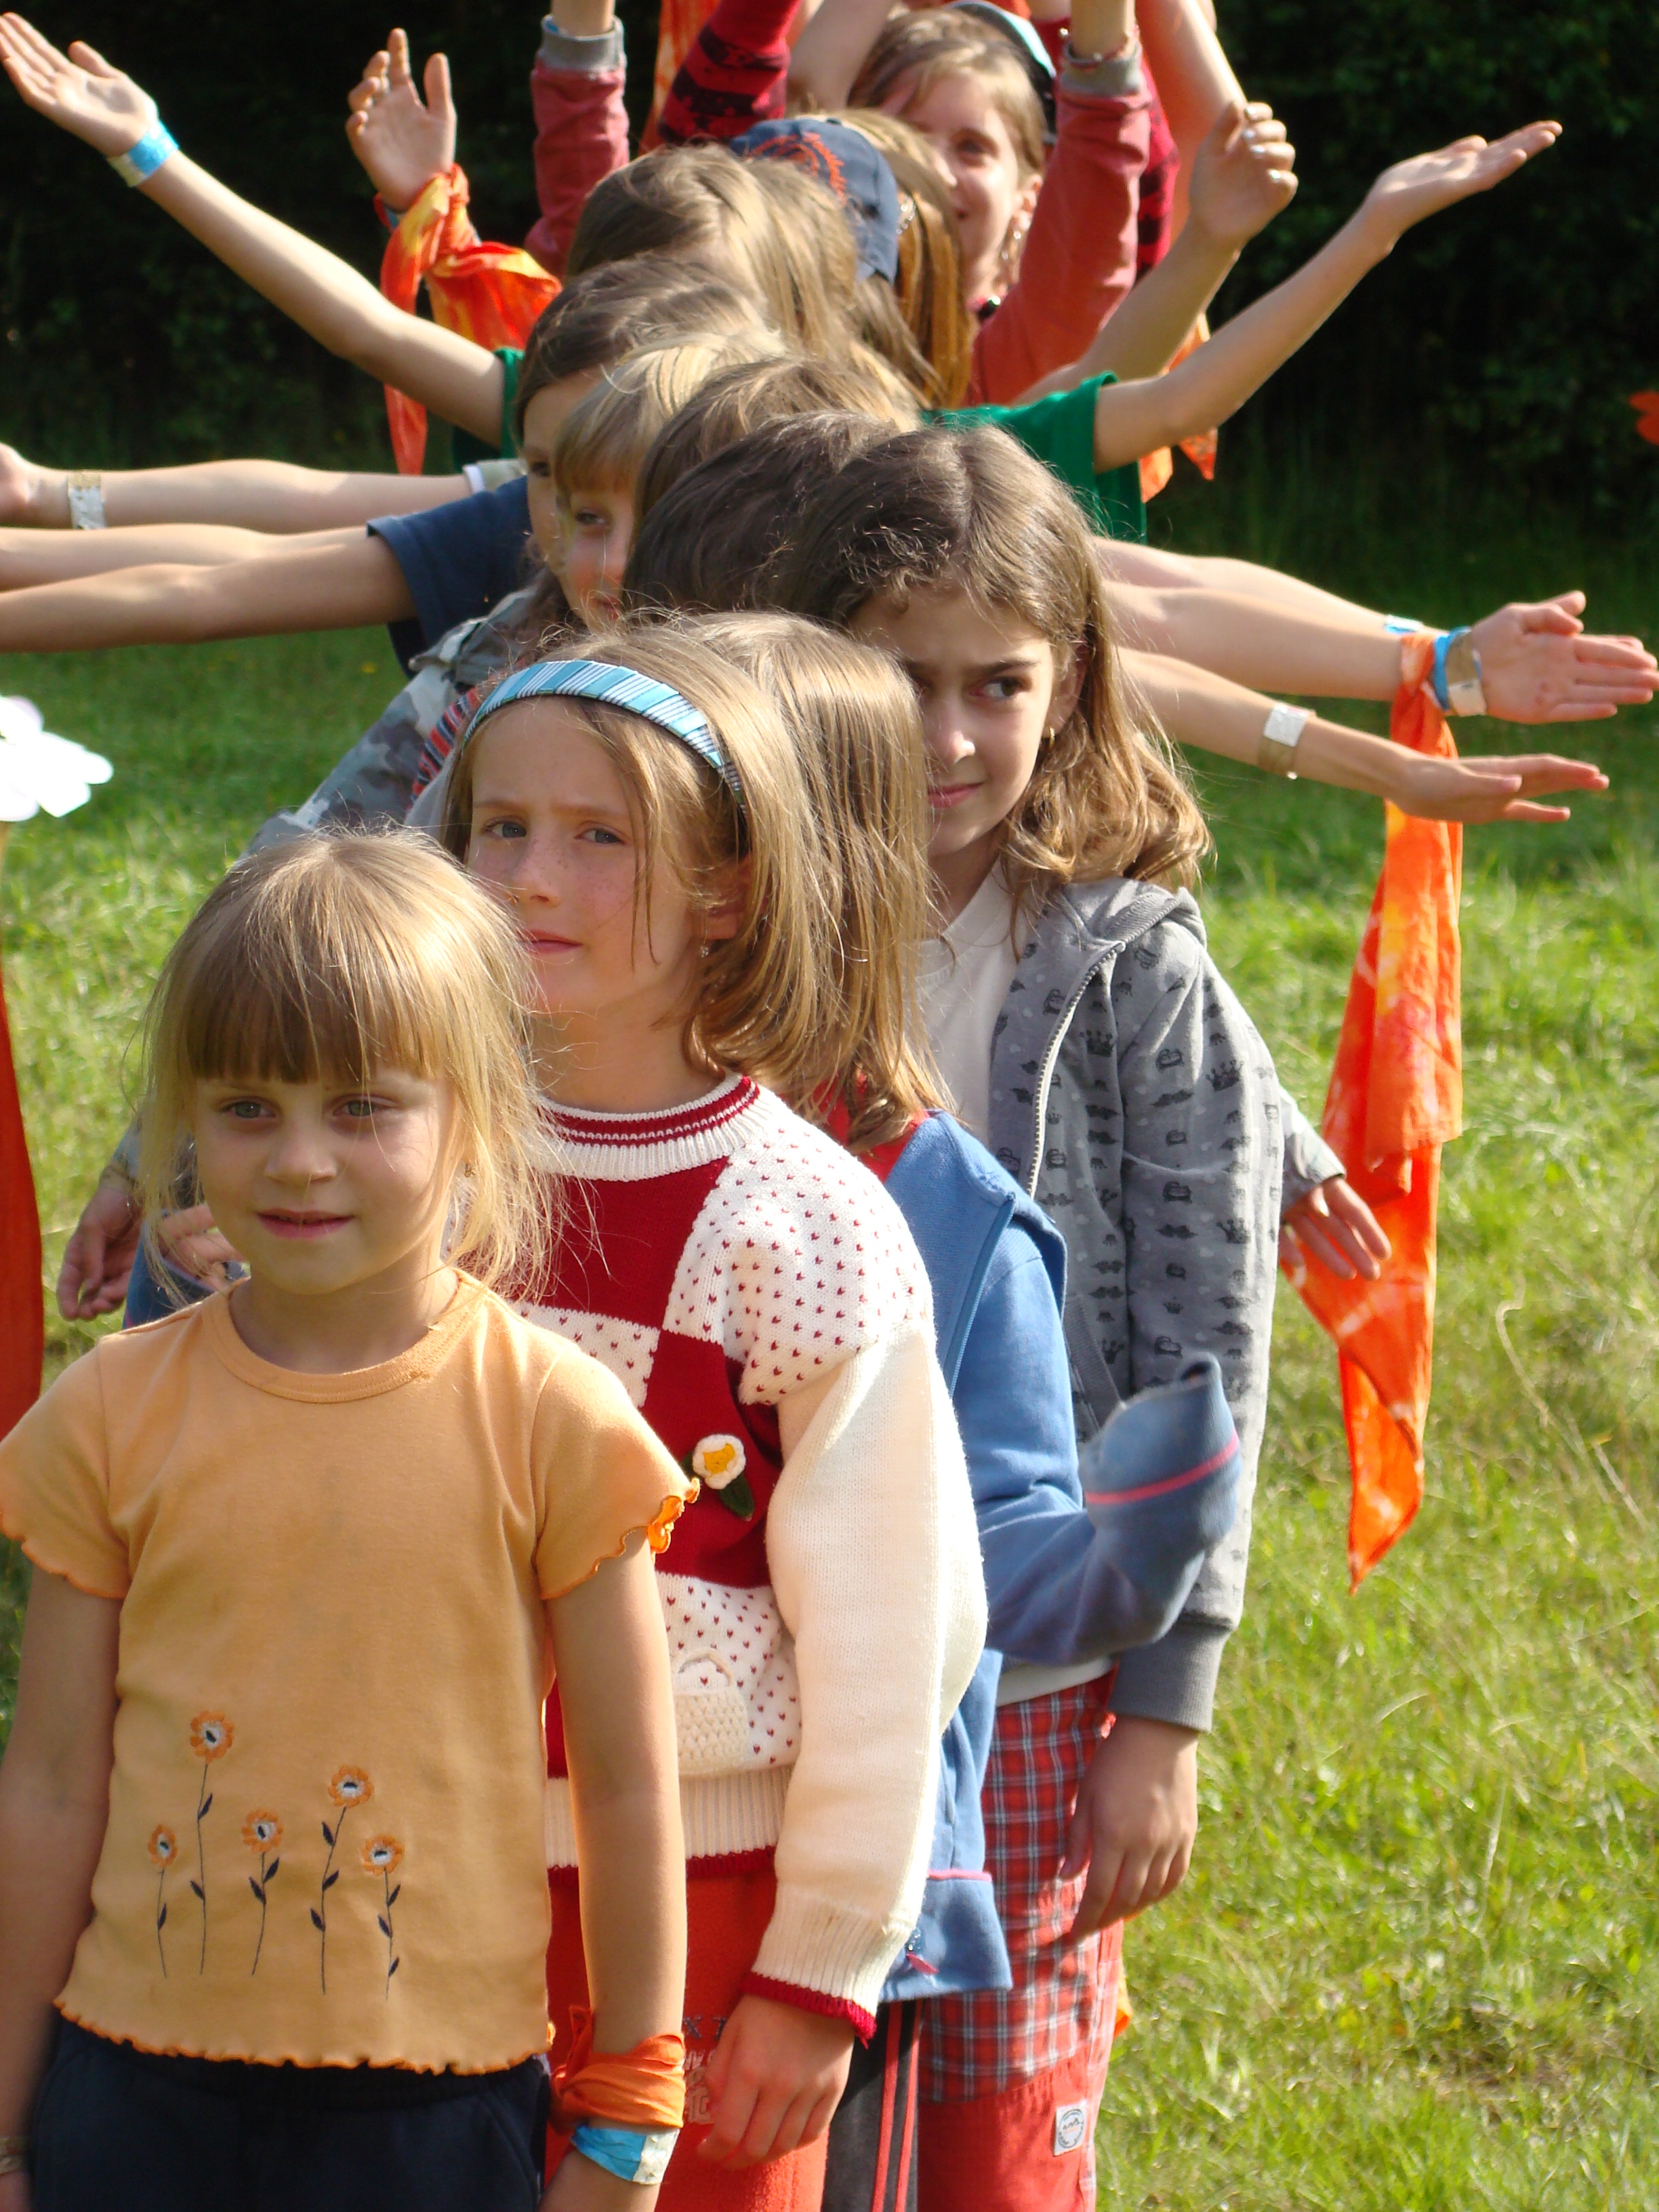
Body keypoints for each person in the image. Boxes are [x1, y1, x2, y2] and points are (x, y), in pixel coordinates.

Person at [761, 425, 1362, 2203]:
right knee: (773, 2117)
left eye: (996, 686)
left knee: (995, 2146)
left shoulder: (1135, 973)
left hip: (1038, 1672)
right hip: (766, 1648)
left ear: (1074, 684)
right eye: (899, 676)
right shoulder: (730, 926)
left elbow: (1206, 1354)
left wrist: (1166, 1715)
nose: (946, 737)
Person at [0, 832, 695, 2210]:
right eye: (247, 1107)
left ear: (475, 1112)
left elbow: (625, 1790)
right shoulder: (109, 1413)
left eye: (365, 1106)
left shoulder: (554, 1418)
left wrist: (630, 2116)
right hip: (129, 2101)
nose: (301, 1160)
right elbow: (53, 1786)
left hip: (434, 2114)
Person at [426, 626, 987, 2209]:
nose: (531, 878)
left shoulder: (805, 1224)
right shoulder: (405, 1168)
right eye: (501, 826)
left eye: (600, 838)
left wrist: (824, 1966)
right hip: (399, 1859)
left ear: (730, 892)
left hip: (707, 1901)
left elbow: (898, 1634)